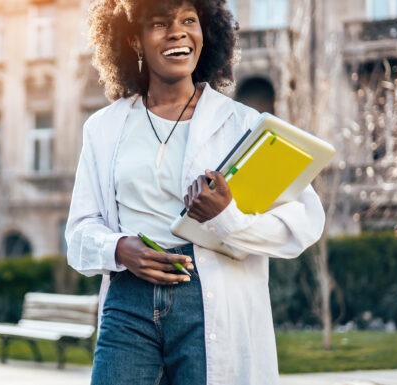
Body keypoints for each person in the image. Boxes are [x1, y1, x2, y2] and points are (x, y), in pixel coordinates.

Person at [65, 0, 325, 384]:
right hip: (129, 297)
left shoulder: (243, 125)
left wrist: (227, 218)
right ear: (134, 40)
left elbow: (303, 224)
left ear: (207, 33)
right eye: (159, 23)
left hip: (209, 300)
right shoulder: (104, 128)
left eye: (189, 20)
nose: (177, 32)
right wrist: (119, 248)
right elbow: (79, 232)